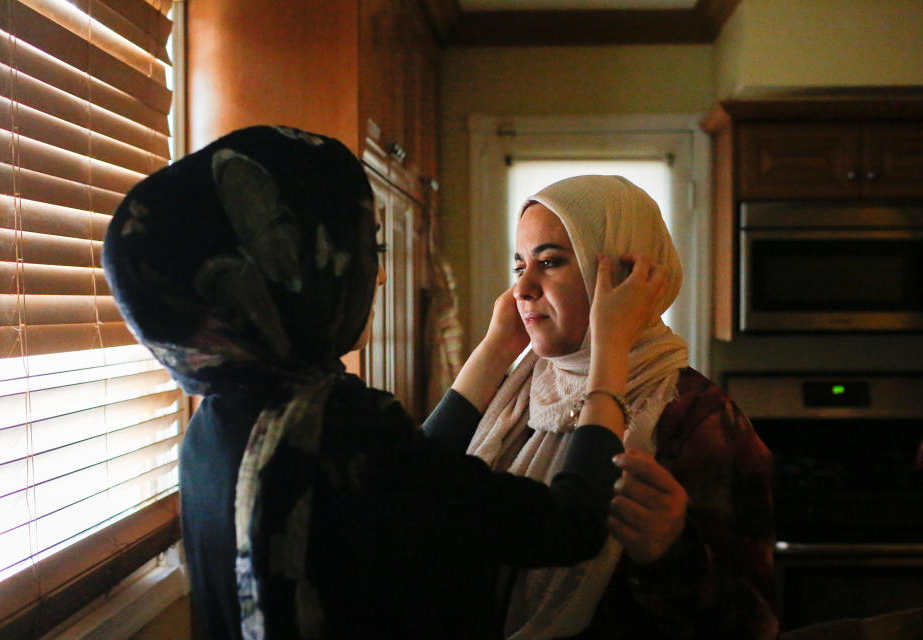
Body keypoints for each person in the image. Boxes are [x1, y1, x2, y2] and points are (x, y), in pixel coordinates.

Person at [101, 127, 667, 640]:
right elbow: (570, 525)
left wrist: (497, 345)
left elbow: (413, 477)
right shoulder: (343, 430)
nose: (377, 273)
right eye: (364, 248)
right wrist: (609, 350)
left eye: (549, 263)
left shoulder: (216, 428)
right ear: (289, 266)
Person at [424, 175, 779, 639]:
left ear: (626, 279)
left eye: (549, 262)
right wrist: (494, 349)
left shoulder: (698, 416)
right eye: (519, 267)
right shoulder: (513, 391)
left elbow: (753, 624)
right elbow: (418, 483)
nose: (523, 289)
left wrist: (674, 553)